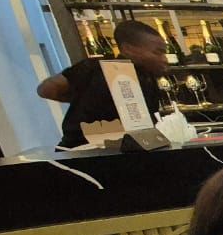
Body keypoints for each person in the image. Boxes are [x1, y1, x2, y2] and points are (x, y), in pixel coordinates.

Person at [37, 19, 168, 149]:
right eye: (157, 52)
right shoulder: (95, 68)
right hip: (83, 152)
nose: (164, 59)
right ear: (128, 49)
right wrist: (83, 98)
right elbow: (46, 89)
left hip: (126, 150)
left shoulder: (148, 77)